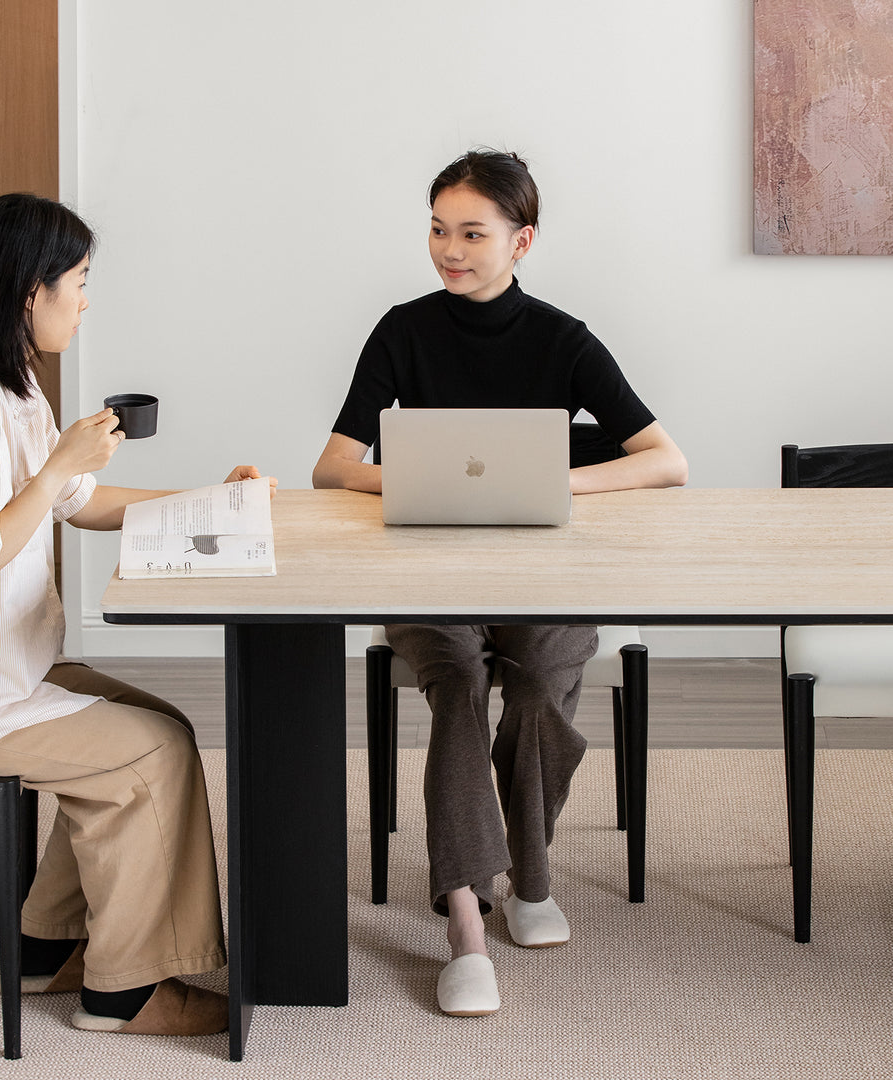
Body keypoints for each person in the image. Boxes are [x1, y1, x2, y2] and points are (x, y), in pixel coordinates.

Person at [0, 193, 275, 1038]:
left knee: (156, 721)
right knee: (151, 756)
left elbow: (79, 502)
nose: (86, 300)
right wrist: (56, 471)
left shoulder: (11, 384)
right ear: (28, 290)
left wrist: (208, 500)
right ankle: (125, 993)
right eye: (78, 282)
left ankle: (48, 942)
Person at [313, 149, 687, 1017]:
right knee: (458, 688)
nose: (450, 249)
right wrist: (422, 480)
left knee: (542, 684)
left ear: (522, 240)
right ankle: (464, 924)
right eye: (439, 229)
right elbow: (333, 470)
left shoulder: (562, 337)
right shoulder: (402, 329)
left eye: (472, 233)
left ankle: (531, 877)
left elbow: (666, 461)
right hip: (426, 572)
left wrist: (559, 481)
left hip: (543, 572)